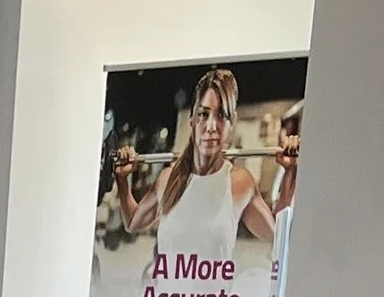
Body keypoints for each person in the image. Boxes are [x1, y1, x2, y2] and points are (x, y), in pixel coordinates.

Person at [110, 66, 297, 256]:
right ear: (192, 119)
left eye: (221, 115)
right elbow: (132, 223)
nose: (211, 127)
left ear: (232, 122)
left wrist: (290, 174)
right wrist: (122, 180)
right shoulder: (168, 180)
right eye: (203, 114)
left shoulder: (240, 183)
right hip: (164, 287)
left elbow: (278, 237)